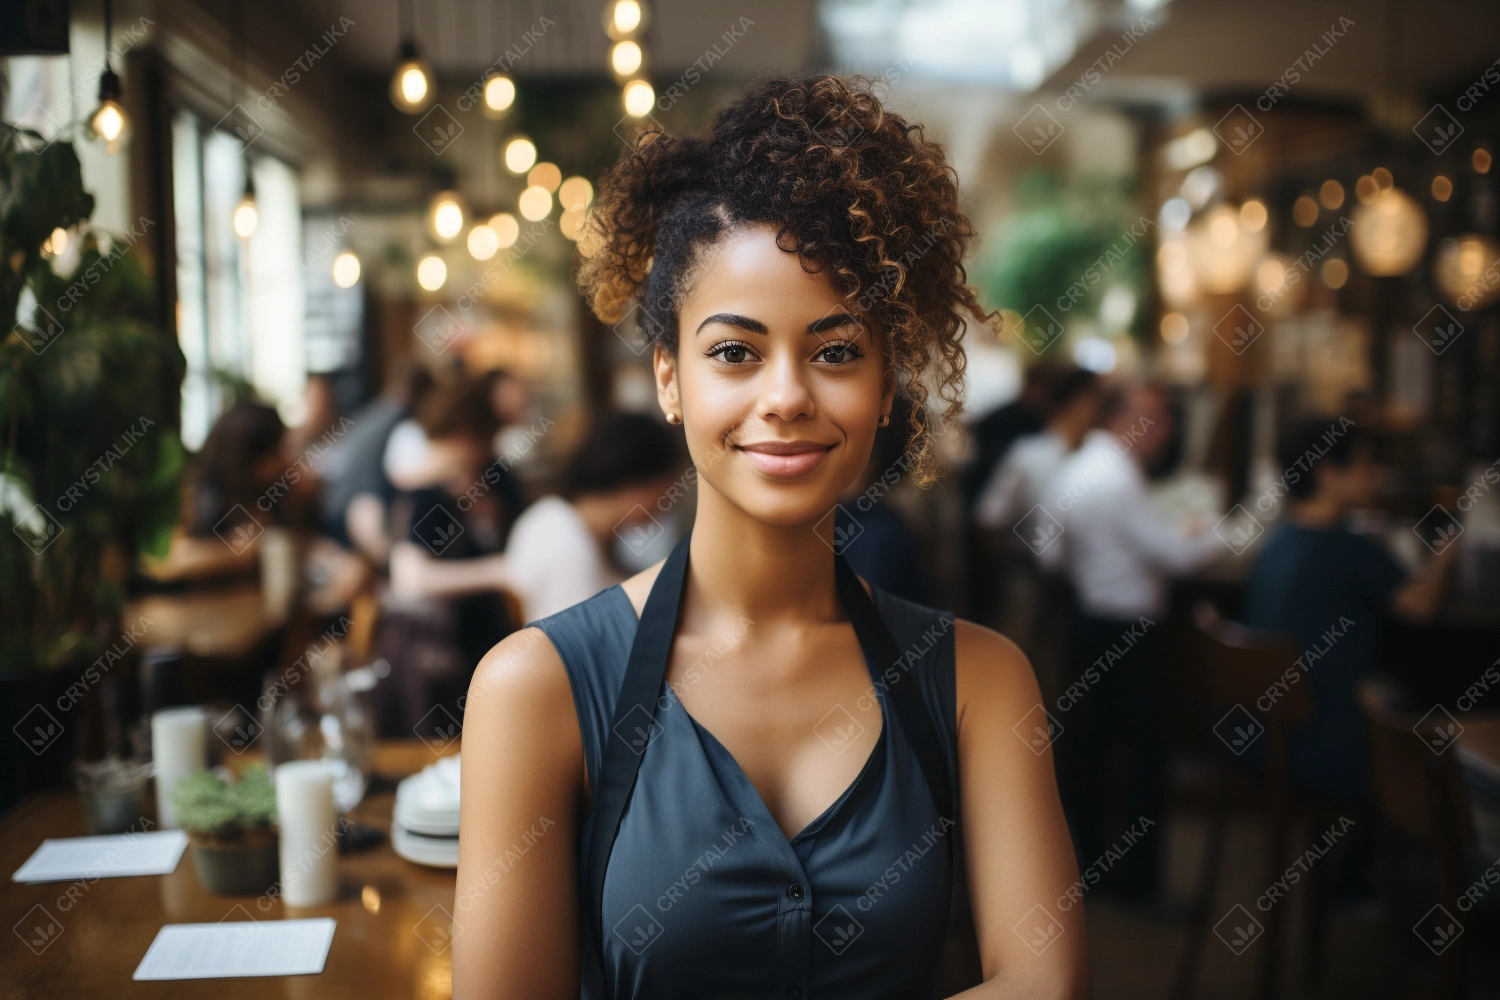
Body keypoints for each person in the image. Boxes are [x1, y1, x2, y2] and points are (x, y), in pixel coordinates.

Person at [455, 75, 1088, 1000]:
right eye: (734, 352)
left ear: (883, 387)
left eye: (836, 351)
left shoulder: (980, 684)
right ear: (670, 380)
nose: (787, 395)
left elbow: (1045, 985)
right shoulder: (533, 689)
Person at [1038, 380, 1223, 904]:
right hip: (1127, 634)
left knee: (1090, 755)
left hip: (1086, 624)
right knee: (1145, 761)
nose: (1166, 430)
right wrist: (1228, 531)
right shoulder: (1115, 477)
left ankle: (1093, 868)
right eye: (1155, 417)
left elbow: (1048, 555)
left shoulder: (1075, 468)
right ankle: (1140, 886)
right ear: (1120, 419)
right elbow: (1178, 559)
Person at [1241, 419, 1457, 801]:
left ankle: (1346, 856)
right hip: (1331, 749)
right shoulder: (1346, 549)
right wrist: (1447, 552)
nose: (1374, 476)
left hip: (1267, 741)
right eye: (1364, 465)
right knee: (1437, 740)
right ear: (1327, 472)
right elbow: (1421, 606)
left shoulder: (1274, 545)